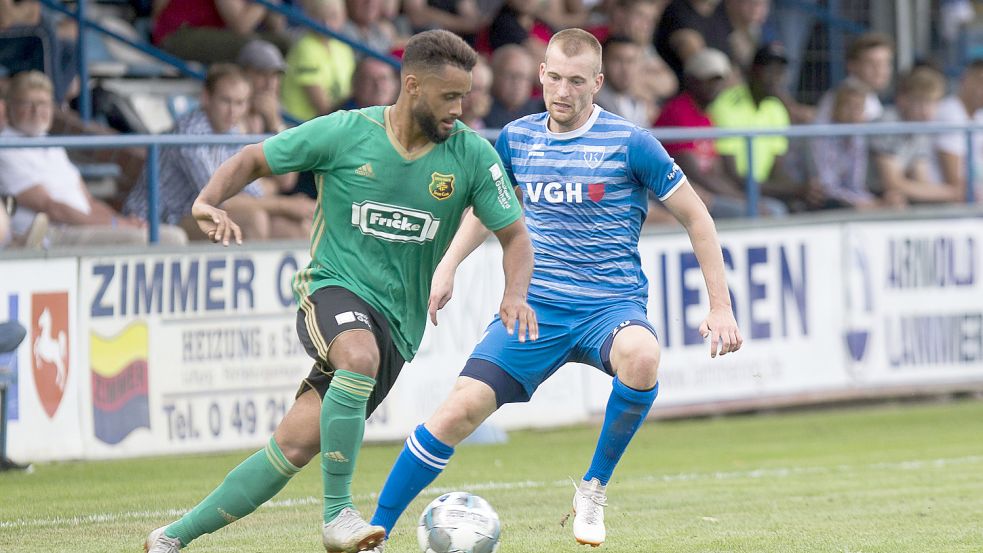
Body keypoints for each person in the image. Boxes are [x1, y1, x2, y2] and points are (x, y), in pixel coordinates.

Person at [143, 29, 537, 553]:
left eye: (464, 97)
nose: (459, 109)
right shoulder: (347, 133)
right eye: (449, 96)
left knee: (292, 447)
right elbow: (255, 158)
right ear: (413, 86)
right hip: (331, 290)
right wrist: (207, 200)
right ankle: (338, 515)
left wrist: (514, 294)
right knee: (356, 354)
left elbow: (515, 235)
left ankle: (170, 538)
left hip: (398, 326)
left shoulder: (470, 155)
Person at [366, 28, 742, 549]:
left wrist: (720, 307)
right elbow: (488, 208)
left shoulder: (631, 142)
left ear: (598, 83)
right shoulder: (517, 138)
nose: (562, 91)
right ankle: (376, 530)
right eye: (555, 79)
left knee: (642, 355)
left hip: (608, 308)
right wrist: (447, 264)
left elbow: (698, 218)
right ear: (541, 74)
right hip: (534, 308)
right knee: (455, 412)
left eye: (576, 82)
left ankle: (593, 488)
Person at [124, 64, 313, 240]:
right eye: (226, 101)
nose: (232, 111)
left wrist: (287, 207)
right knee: (253, 218)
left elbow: (255, 190)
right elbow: (222, 200)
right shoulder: (191, 133)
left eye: (240, 103)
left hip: (195, 213)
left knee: (293, 227)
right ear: (206, 98)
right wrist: (286, 205)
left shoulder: (231, 132)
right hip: (156, 220)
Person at [0, 71, 186, 246]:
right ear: (9, 108)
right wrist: (114, 225)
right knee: (138, 240)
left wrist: (121, 221)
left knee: (174, 237)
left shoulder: (51, 144)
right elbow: (51, 208)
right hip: (49, 234)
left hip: (82, 226)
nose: (37, 110)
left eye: (43, 104)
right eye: (27, 103)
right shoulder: (6, 149)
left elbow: (89, 201)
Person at [870, 67, 961, 206]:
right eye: (921, 102)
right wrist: (954, 193)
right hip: (864, 196)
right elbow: (892, 183)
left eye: (933, 102)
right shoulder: (887, 122)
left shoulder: (921, 128)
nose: (927, 111)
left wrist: (951, 194)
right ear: (902, 100)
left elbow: (921, 180)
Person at [282, 0, 357, 121]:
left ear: (344, 15)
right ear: (309, 17)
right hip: (301, 126)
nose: (326, 24)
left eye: (333, 16)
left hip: (331, 122)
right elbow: (323, 108)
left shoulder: (343, 47)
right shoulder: (305, 48)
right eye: (320, 17)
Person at [814, 32, 894, 123]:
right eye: (871, 63)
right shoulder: (842, 97)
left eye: (885, 63)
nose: (880, 70)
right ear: (852, 66)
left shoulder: (870, 95)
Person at [933, 59, 983, 199]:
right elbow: (954, 180)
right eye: (981, 81)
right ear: (965, 80)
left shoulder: (979, 115)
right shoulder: (950, 112)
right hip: (948, 206)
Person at [595, 35, 654, 127]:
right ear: (602, 63)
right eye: (617, 60)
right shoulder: (592, 101)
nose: (625, 69)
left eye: (631, 61)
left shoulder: (645, 101)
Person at [484, 44, 545, 129]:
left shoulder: (541, 110)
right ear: (494, 75)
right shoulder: (482, 110)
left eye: (524, 77)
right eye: (511, 75)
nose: (517, 84)